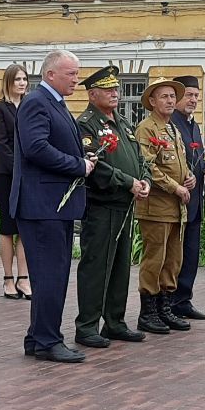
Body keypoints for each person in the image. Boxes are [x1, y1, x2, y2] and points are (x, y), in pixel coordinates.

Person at [11, 49, 96, 363]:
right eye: (71, 73)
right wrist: (77, 165)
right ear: (50, 74)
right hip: (42, 204)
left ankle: (37, 337)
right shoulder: (37, 102)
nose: (77, 79)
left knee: (54, 273)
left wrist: (82, 161)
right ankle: (48, 340)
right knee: (50, 275)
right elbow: (35, 148)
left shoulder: (54, 103)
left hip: (53, 205)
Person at [73, 65, 150, 347]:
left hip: (126, 204)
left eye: (116, 89)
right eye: (108, 90)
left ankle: (115, 322)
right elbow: (96, 165)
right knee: (97, 266)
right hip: (102, 205)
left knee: (120, 265)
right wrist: (127, 181)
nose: (115, 93)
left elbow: (140, 158)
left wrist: (145, 181)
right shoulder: (86, 124)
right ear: (93, 95)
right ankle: (87, 326)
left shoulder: (124, 123)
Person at [134, 78, 195, 334]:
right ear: (152, 101)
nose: (170, 101)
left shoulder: (172, 129)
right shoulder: (147, 128)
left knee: (173, 260)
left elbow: (178, 162)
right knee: (154, 260)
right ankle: (148, 312)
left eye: (172, 96)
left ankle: (165, 308)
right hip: (156, 207)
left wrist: (189, 175)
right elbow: (148, 166)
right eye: (164, 97)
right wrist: (175, 187)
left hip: (176, 208)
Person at [170, 74, 205, 321]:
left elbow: (196, 156)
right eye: (189, 95)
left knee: (191, 253)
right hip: (177, 200)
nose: (194, 100)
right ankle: (170, 301)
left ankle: (183, 299)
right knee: (175, 255)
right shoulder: (171, 124)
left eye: (197, 95)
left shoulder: (193, 125)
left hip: (196, 200)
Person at [0, 63, 30, 300]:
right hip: (7, 174)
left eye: (24, 79)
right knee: (8, 226)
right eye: (17, 80)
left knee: (24, 226)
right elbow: (2, 144)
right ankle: (7, 278)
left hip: (29, 174)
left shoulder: (30, 106)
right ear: (8, 82)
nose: (22, 83)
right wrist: (19, 171)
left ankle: (23, 278)